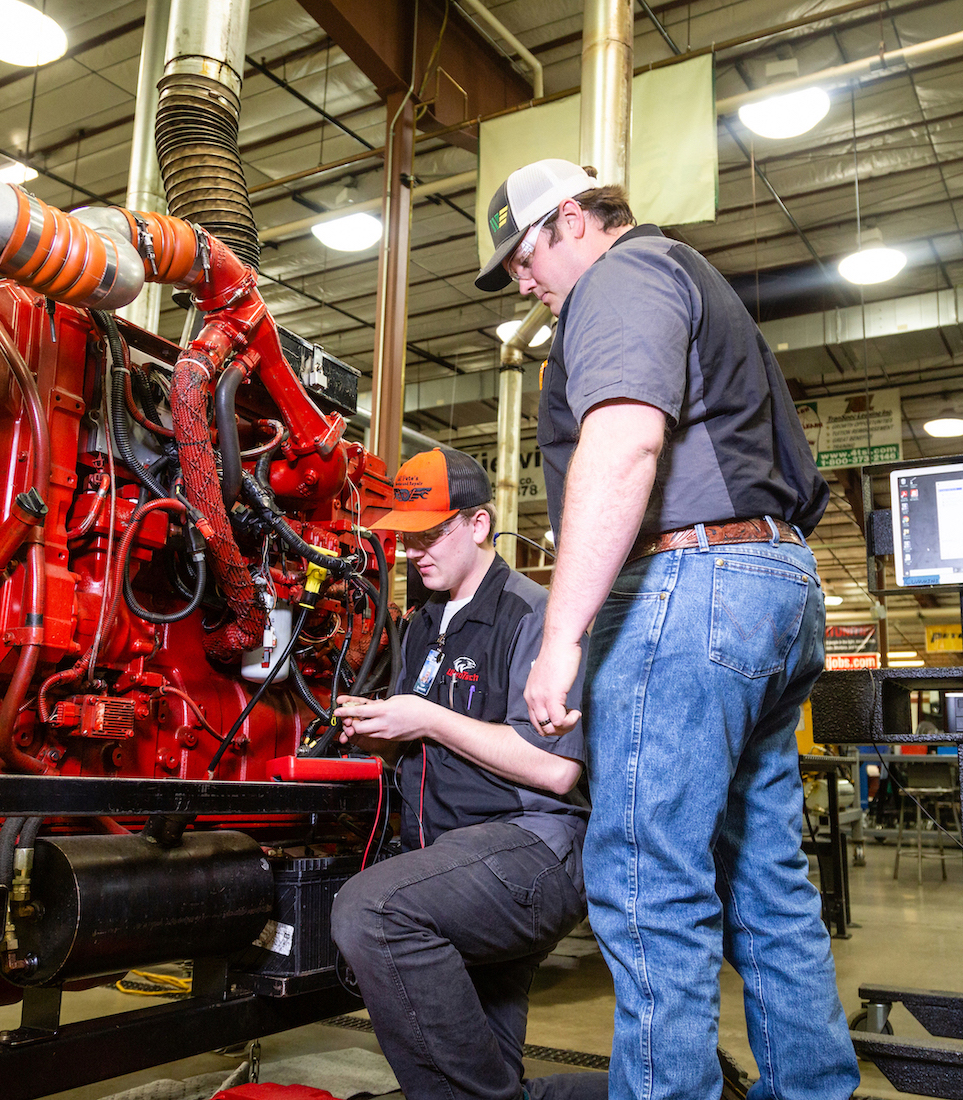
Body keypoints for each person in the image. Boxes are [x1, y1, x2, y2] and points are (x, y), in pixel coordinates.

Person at [473, 159, 859, 1100]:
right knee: (765, 887)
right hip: (772, 585)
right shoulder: (691, 277)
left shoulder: (623, 276)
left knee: (648, 887)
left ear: (572, 220)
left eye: (523, 256)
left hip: (691, 585)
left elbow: (626, 440)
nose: (522, 281)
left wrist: (560, 633)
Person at [330, 446, 601, 1100]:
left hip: (531, 850)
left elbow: (557, 770)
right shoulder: (423, 624)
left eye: (431, 534)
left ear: (478, 525)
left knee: (371, 910)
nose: (415, 552)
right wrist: (379, 728)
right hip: (453, 857)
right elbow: (426, 741)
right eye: (407, 539)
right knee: (487, 1074)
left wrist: (423, 717)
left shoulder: (530, 613)